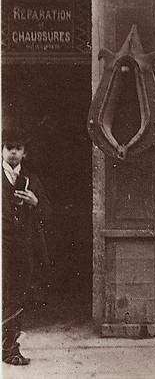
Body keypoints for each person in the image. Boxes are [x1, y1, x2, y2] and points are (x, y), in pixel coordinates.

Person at [2, 129, 50, 366]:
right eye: (9, 147)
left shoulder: (31, 180)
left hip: (21, 249)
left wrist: (35, 202)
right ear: (2, 150)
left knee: (16, 298)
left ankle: (10, 347)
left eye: (18, 148)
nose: (13, 152)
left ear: (25, 153)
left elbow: (48, 213)